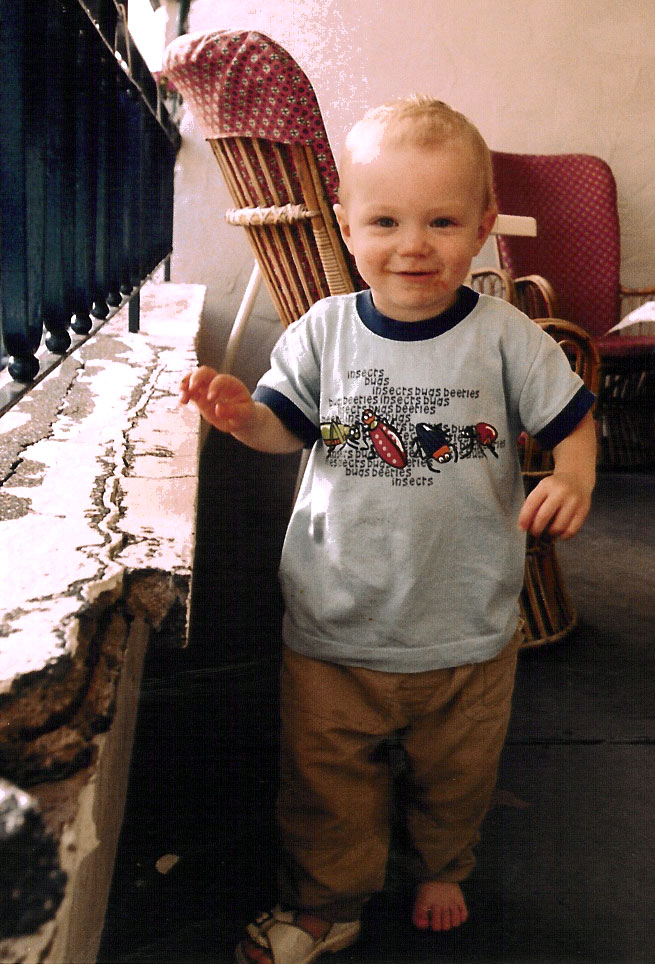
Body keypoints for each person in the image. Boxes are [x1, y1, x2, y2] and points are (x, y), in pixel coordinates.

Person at [180, 96, 597, 964]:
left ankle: (444, 863)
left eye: (442, 221)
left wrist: (574, 472)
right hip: (337, 620)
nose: (413, 244)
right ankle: (328, 902)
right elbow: (280, 425)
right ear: (345, 223)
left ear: (482, 226)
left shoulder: (505, 337)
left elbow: (569, 418)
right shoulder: (323, 333)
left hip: (466, 624)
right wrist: (239, 416)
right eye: (385, 220)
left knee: (457, 769)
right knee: (327, 781)